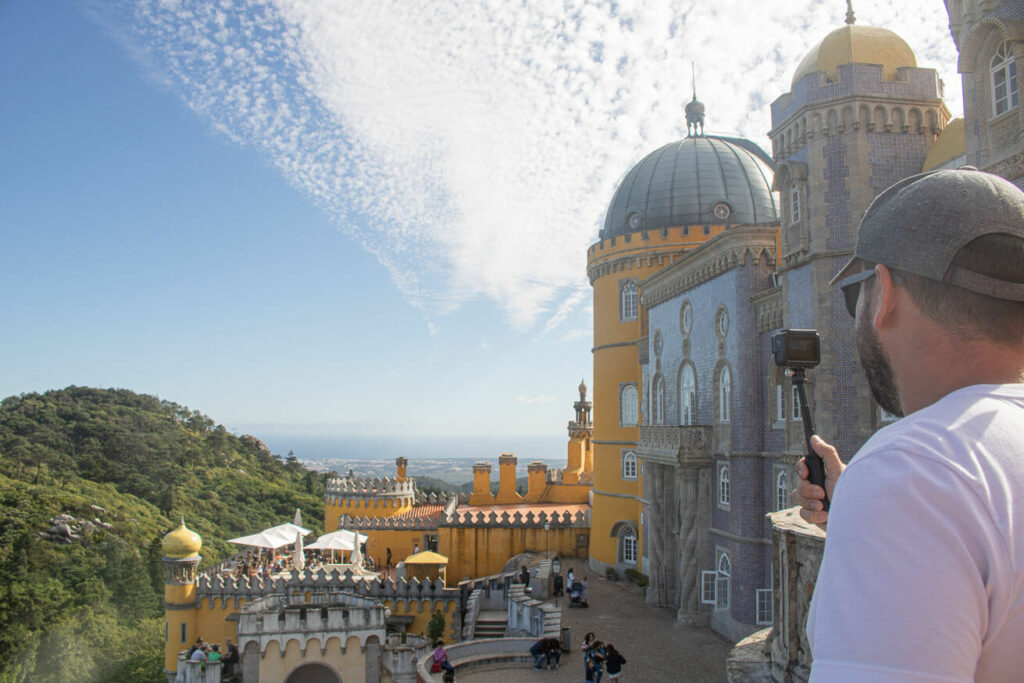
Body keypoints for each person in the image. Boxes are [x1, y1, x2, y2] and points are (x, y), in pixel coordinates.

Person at [791, 168, 1024, 681]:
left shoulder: (912, 474)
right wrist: (855, 501)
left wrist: (881, 499)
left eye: (858, 296)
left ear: (886, 293)